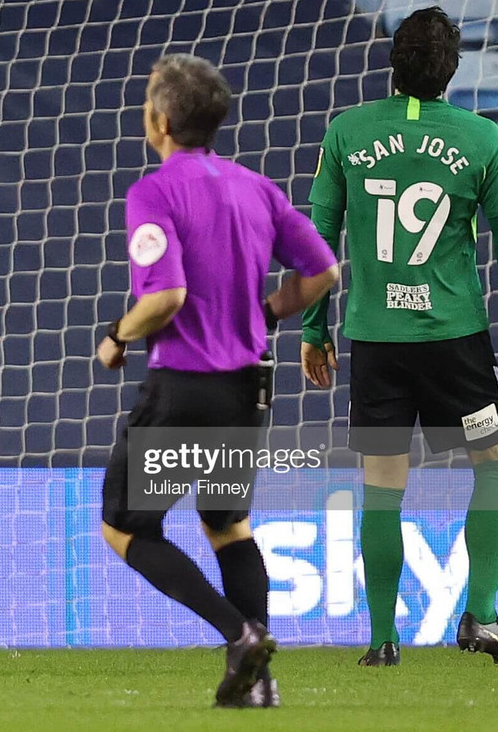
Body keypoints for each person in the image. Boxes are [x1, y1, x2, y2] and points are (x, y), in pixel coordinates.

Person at [300, 7, 498, 668]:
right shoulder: (480, 138)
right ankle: (482, 615)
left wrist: (313, 327)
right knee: (495, 466)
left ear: (392, 62)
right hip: (453, 340)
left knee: (383, 482)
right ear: (452, 69)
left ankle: (383, 638)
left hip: (375, 339)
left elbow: (318, 237)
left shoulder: (348, 132)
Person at [98, 53, 340, 708]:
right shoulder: (257, 187)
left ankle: (239, 634)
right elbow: (323, 274)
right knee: (227, 523)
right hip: (246, 391)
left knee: (125, 528)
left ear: (162, 120)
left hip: (184, 387)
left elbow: (167, 294)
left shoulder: (154, 191)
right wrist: (268, 311)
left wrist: (118, 334)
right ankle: (257, 682)